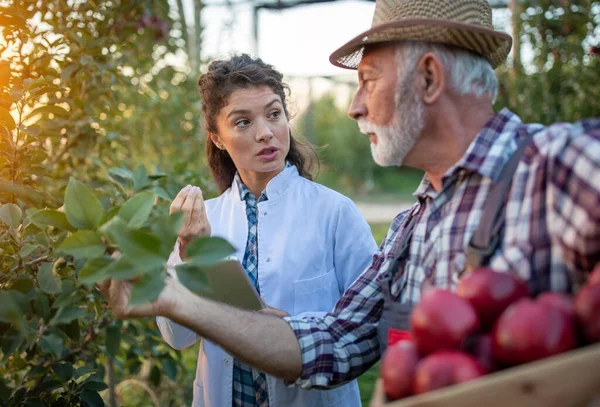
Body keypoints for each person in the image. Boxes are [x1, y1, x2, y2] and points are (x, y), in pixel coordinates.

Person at [98, 0, 600, 396]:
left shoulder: (556, 165)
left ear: (428, 78)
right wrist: (172, 296)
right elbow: (332, 342)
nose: (356, 107)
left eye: (368, 81)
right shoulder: (411, 230)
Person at [155, 54, 377, 407]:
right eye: (242, 122)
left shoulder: (335, 213)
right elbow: (176, 335)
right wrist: (189, 251)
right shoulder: (202, 221)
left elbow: (371, 325)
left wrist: (294, 332)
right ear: (216, 137)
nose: (265, 133)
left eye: (274, 114)